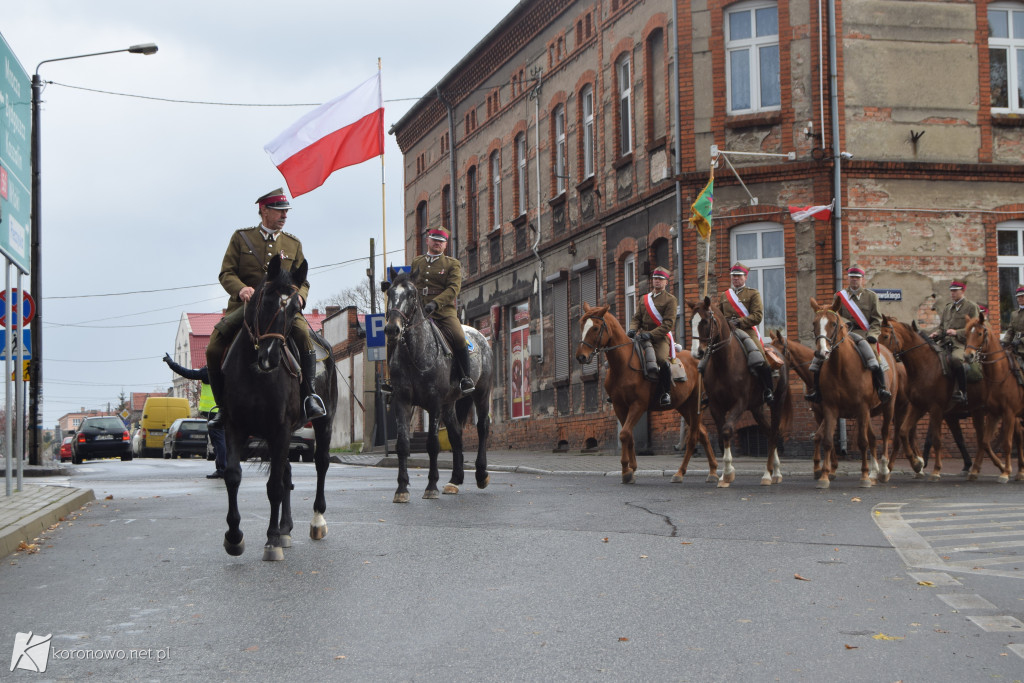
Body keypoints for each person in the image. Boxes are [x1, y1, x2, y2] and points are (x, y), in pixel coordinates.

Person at [205, 188, 326, 428]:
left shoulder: (293, 244)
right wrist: (240, 289)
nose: (284, 216)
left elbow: (303, 279)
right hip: (248, 306)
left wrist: (300, 297)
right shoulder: (241, 238)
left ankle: (310, 396)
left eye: (286, 212)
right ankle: (222, 407)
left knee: (304, 336)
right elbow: (226, 273)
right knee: (213, 348)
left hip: (281, 307)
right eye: (280, 211)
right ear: (264, 211)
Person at [385, 226, 474, 395]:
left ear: (445, 245)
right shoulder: (417, 262)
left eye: (441, 242)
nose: (437, 244)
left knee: (459, 337)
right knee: (394, 335)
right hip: (418, 311)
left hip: (443, 311)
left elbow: (453, 289)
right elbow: (410, 284)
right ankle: (392, 380)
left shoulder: (451, 264)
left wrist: (435, 303)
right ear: (427, 241)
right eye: (434, 240)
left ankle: (465, 377)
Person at [805, 264, 891, 403]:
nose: (854, 280)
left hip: (865, 334)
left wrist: (873, 335)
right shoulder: (839, 296)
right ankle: (816, 391)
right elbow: (835, 316)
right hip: (844, 334)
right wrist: (844, 326)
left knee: (874, 357)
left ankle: (882, 388)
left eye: (857, 278)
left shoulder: (871, 297)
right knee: (819, 358)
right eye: (852, 277)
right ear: (848, 278)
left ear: (862, 279)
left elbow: (877, 320)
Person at [718, 262, 775, 403]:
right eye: (733, 276)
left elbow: (757, 316)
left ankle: (768, 389)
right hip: (728, 332)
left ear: (745, 277)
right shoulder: (725, 296)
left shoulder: (753, 293)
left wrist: (739, 322)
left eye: (738, 276)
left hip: (746, 330)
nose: (735, 279)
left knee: (759, 355)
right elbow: (719, 316)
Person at [163, 353, 226, 479]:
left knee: (218, 441)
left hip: (212, 412)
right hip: (224, 410)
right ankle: (223, 467)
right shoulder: (227, 370)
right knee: (222, 441)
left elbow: (188, 373)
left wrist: (171, 364)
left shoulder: (209, 372)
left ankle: (222, 469)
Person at [627, 266, 678, 407]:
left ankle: (666, 392)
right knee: (627, 357)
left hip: (660, 337)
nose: (657, 281)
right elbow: (636, 318)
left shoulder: (670, 300)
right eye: (655, 279)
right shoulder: (644, 299)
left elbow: (668, 324)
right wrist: (632, 329)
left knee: (661, 359)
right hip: (642, 336)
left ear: (666, 282)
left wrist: (651, 334)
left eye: (660, 279)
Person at [929, 278, 980, 403]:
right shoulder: (948, 308)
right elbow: (942, 327)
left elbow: (975, 328)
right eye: (951, 291)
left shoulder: (971, 307)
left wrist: (957, 332)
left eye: (955, 291)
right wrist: (937, 333)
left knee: (956, 360)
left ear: (963, 291)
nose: (952, 293)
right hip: (945, 342)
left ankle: (962, 391)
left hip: (961, 343)